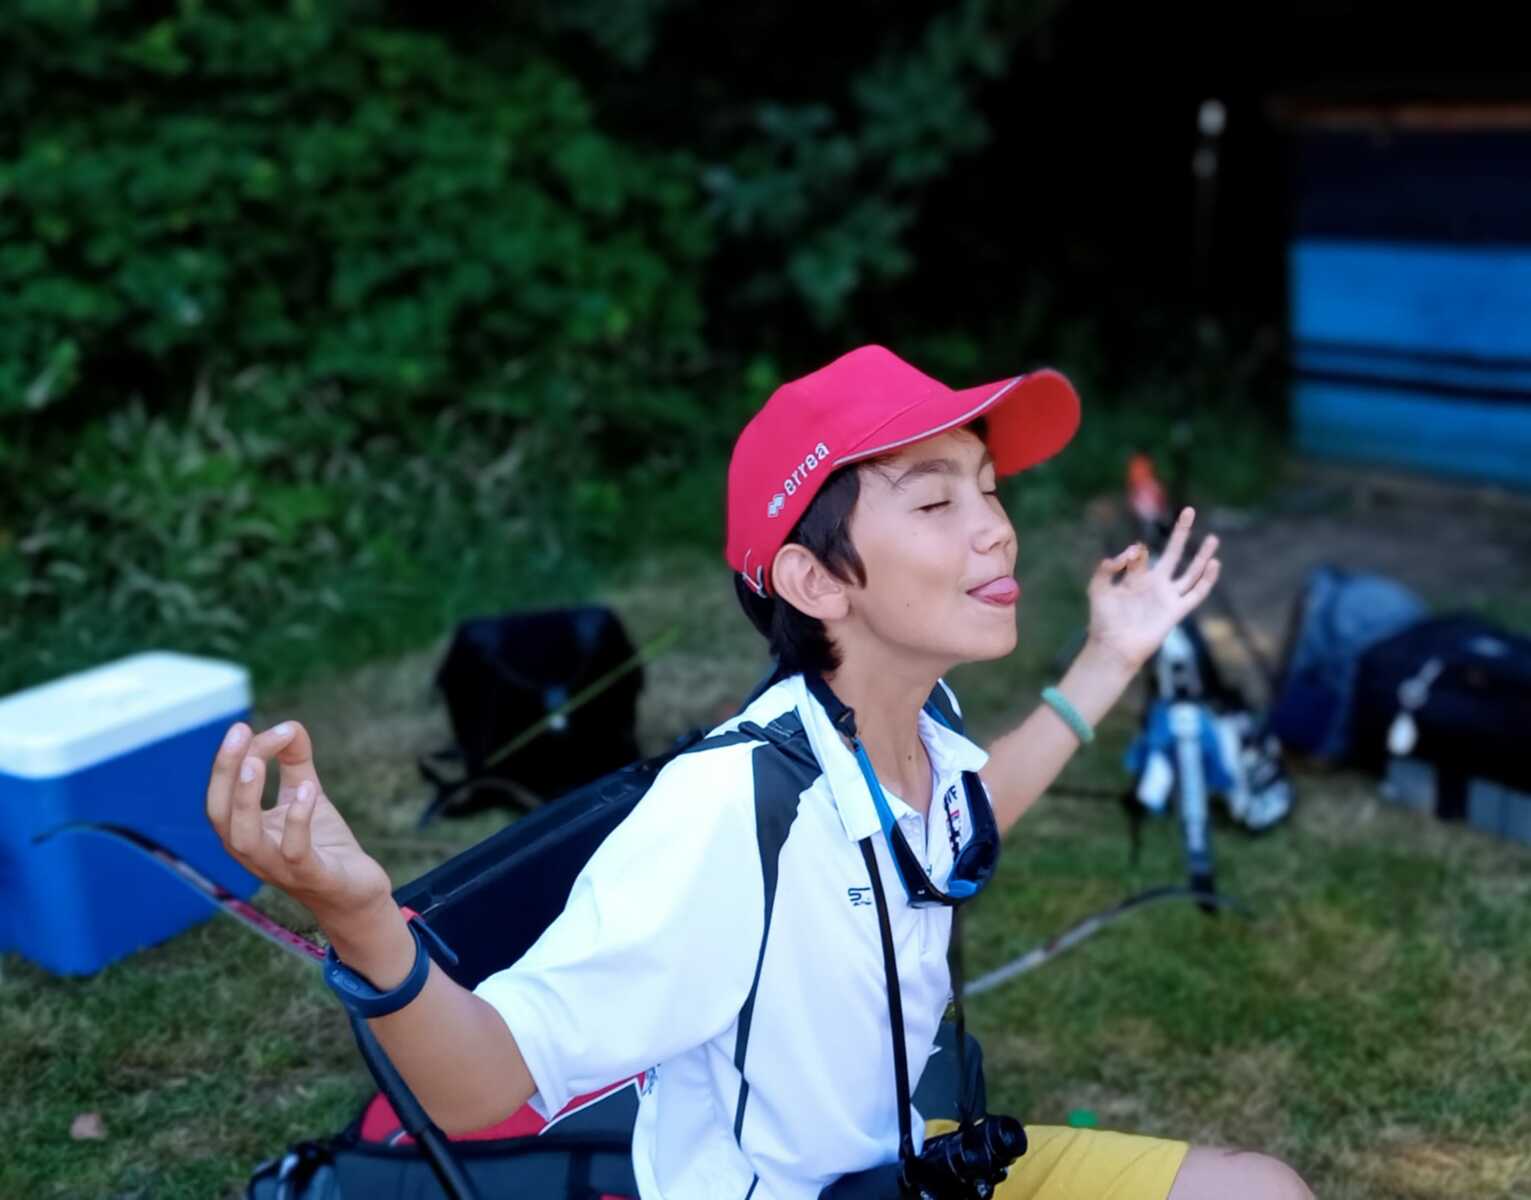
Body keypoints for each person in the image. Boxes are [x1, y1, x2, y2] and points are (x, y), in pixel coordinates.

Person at [205, 345, 1314, 1199]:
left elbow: (962, 819)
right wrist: (359, 915)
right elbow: (481, 1083)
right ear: (815, 582)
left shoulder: (916, 719)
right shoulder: (730, 810)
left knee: (1264, 1191)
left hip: (912, 1162)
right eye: (937, 501)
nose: (996, 530)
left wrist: (1108, 656)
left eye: (988, 487)